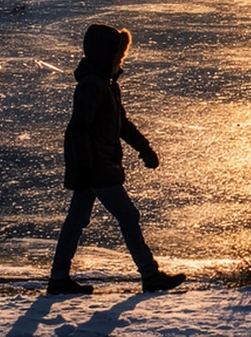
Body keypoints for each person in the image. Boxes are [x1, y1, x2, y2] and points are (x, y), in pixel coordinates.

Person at [48, 24, 185, 296]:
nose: (120, 61)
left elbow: (122, 124)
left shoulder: (108, 86)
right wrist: (86, 166)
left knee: (76, 221)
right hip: (97, 168)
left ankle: (58, 278)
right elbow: (78, 129)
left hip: (95, 167)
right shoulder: (92, 86)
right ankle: (150, 274)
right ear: (105, 55)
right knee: (127, 215)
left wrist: (144, 148)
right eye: (118, 55)